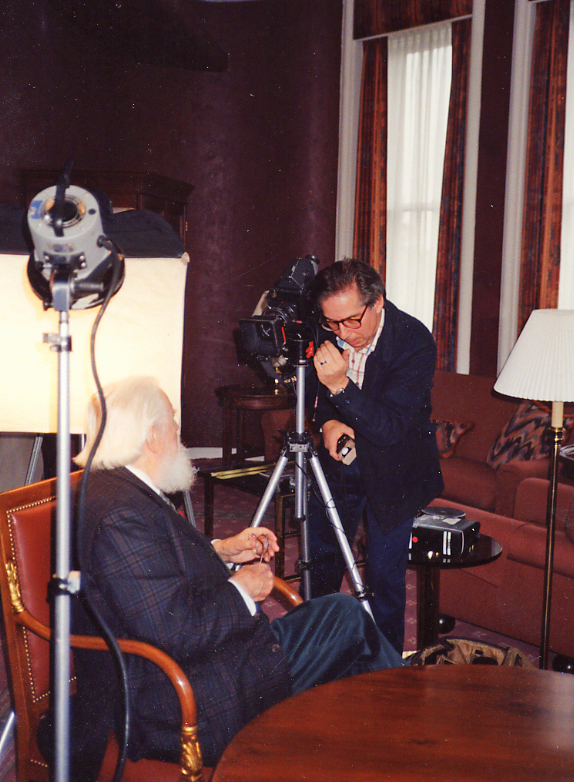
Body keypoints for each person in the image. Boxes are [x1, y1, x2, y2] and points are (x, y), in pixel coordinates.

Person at [64, 375, 404, 778]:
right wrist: (242, 589)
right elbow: (175, 631)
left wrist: (220, 550)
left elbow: (147, 579)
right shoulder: (120, 514)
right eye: (174, 423)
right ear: (152, 436)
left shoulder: (117, 489)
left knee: (340, 617)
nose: (179, 434)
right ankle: (407, 732)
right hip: (189, 696)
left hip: (211, 659)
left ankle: (369, 746)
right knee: (346, 622)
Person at [307, 259, 444, 654]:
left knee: (384, 578)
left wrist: (340, 385)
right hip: (341, 461)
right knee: (322, 563)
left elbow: (390, 428)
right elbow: (315, 389)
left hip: (395, 467)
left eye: (352, 320)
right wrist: (327, 422)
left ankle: (385, 669)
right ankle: (317, 655)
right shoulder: (330, 326)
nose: (343, 333)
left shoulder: (414, 341)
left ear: (378, 301)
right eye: (332, 323)